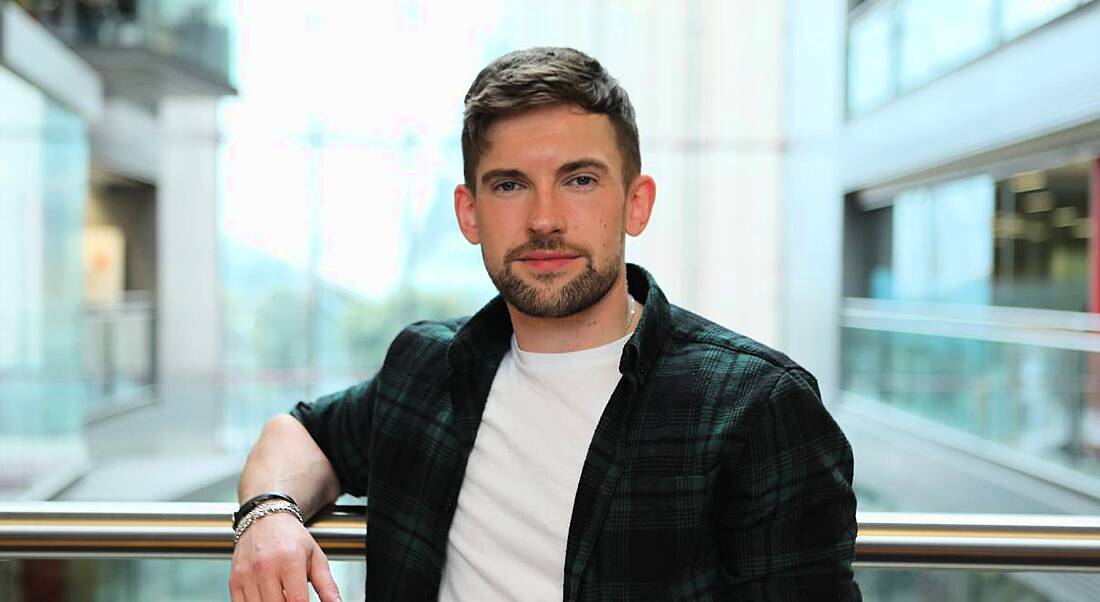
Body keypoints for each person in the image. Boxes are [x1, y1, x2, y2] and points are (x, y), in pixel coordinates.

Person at [229, 47, 860, 602]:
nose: (544, 219)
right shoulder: (427, 366)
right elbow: (301, 433)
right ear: (469, 212)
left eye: (580, 180)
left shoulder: (754, 408)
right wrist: (268, 514)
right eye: (509, 186)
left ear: (635, 203)